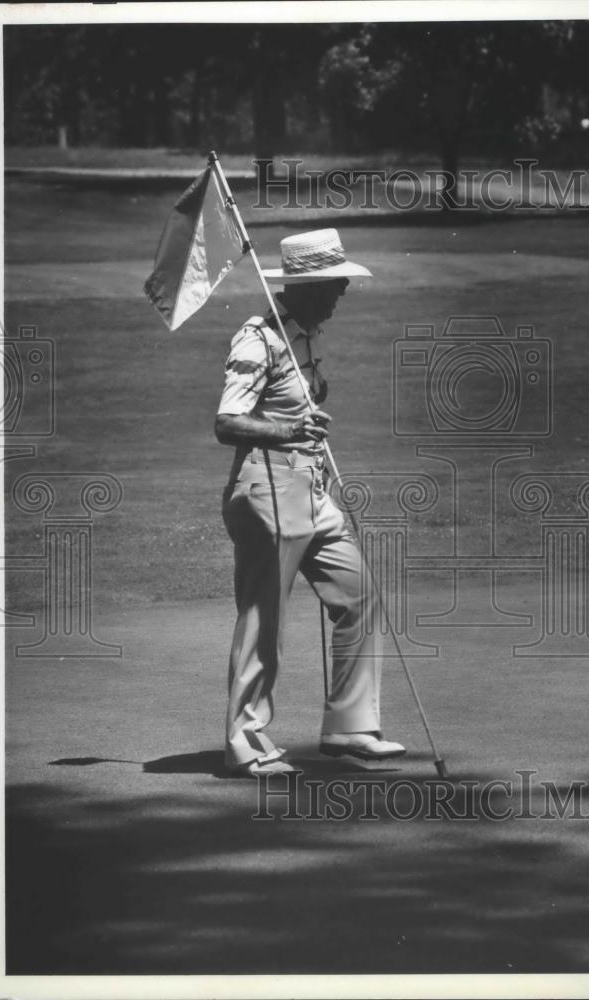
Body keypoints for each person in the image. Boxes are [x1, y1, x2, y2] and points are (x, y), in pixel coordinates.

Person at [215, 228, 405, 777]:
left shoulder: (308, 333)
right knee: (264, 618)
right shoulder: (259, 338)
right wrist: (290, 428)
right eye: (332, 282)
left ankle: (349, 727)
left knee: (359, 593)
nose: (342, 289)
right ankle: (244, 742)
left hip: (310, 489)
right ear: (302, 287)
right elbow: (227, 422)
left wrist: (304, 430)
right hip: (266, 489)